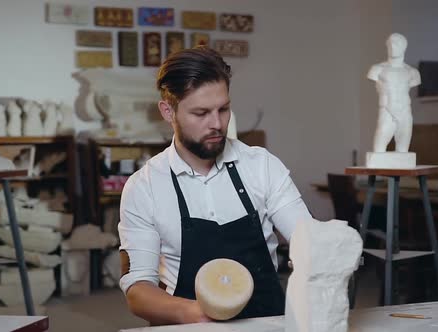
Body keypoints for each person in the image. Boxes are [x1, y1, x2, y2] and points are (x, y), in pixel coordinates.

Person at [118, 47, 312, 325]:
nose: (217, 124)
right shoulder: (144, 187)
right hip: (191, 326)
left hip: (267, 321)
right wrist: (202, 313)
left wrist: (316, 256)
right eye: (201, 113)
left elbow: (307, 240)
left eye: (223, 109)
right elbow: (138, 291)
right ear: (168, 111)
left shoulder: (262, 166)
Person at [367, 33, 421, 153]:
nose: (392, 47)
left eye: (396, 44)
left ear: (404, 47)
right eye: (390, 44)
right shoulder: (378, 69)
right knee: (378, 151)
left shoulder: (412, 72)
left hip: (405, 111)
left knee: (403, 151)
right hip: (386, 110)